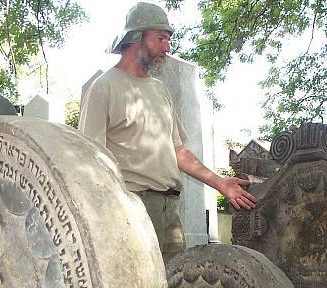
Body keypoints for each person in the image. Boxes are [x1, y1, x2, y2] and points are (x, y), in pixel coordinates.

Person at [79, 2, 257, 263]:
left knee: (173, 285)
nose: (167, 47)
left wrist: (220, 183)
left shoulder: (160, 90)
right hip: (133, 204)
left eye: (168, 39)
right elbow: (91, 159)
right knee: (139, 286)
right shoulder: (104, 87)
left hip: (169, 209)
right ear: (137, 38)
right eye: (160, 38)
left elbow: (177, 152)